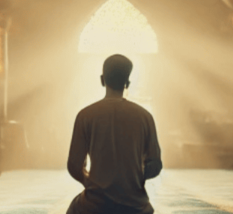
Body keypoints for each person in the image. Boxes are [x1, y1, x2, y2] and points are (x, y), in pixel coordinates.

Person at [66, 54, 162, 214]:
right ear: (128, 83)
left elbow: (74, 166)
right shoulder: (145, 117)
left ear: (102, 80)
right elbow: (155, 165)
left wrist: (88, 181)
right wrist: (135, 179)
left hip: (95, 204)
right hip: (135, 205)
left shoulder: (85, 115)